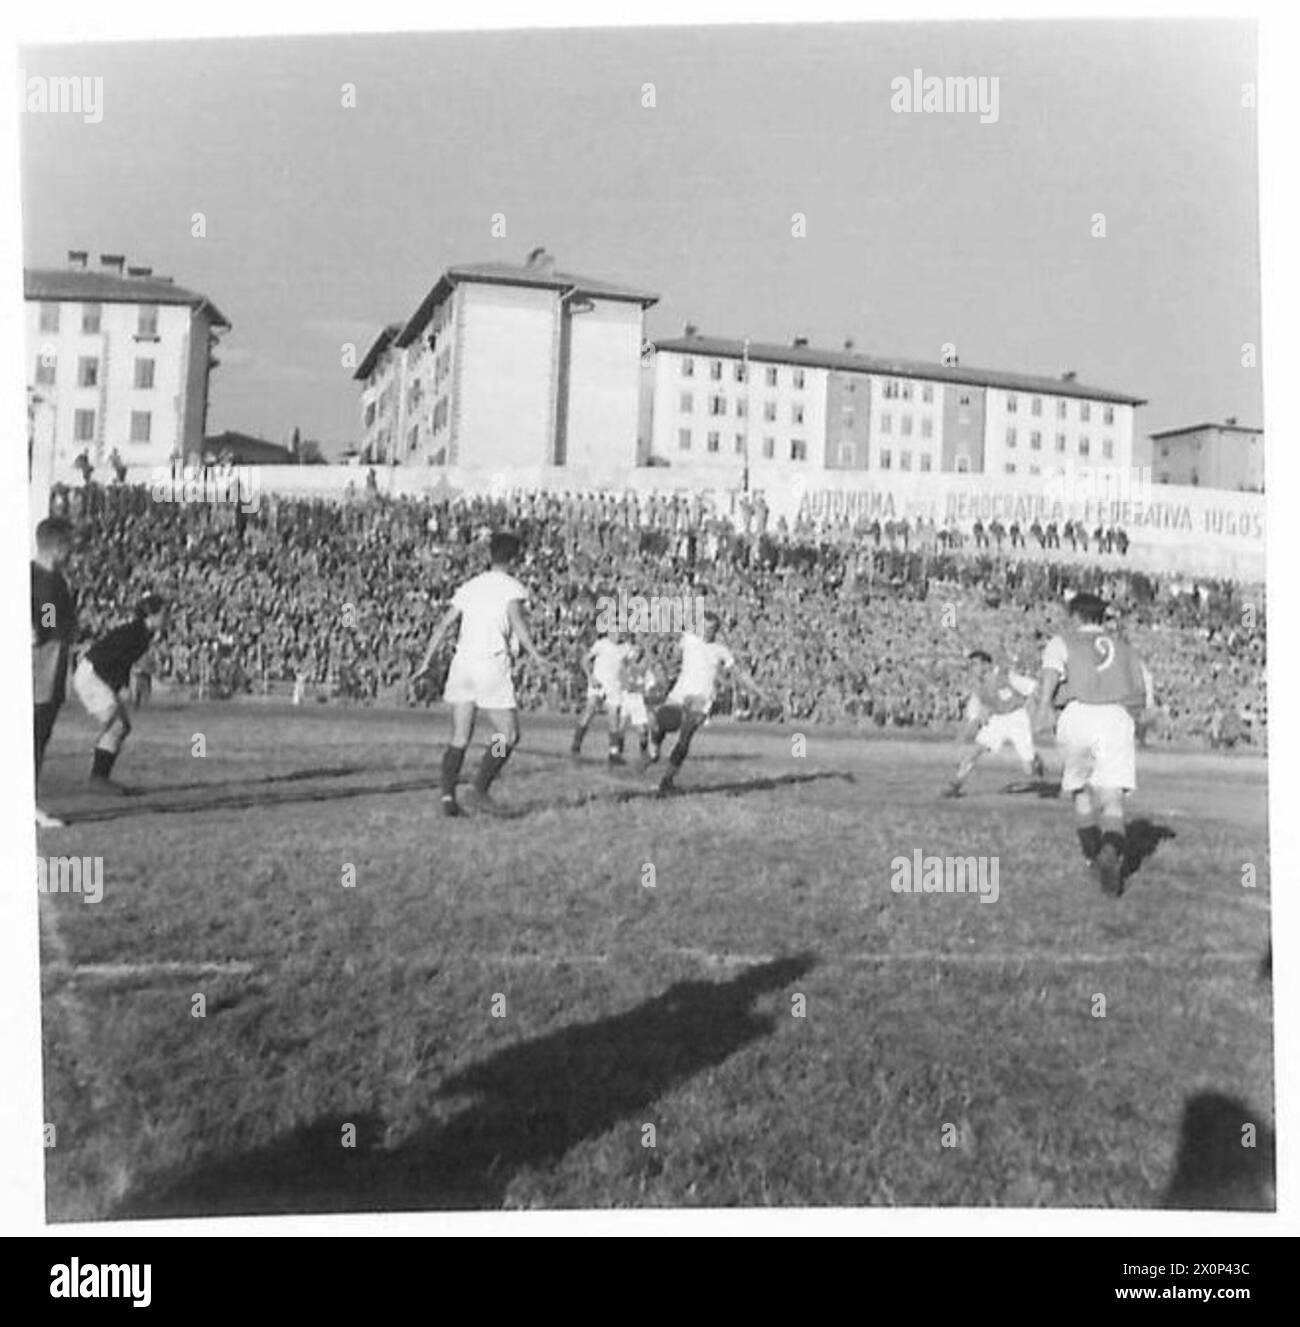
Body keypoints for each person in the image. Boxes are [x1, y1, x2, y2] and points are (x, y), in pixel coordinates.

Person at [412, 531, 554, 817]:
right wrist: (537, 655)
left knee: (460, 737)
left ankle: (447, 799)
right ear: (514, 558)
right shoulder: (512, 587)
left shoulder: (470, 585)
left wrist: (426, 661)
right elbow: (517, 622)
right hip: (490, 662)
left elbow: (443, 625)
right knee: (508, 735)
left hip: (462, 663)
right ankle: (480, 788)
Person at [1032, 591, 1149, 897]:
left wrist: (1044, 709)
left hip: (1078, 713)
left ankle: (1091, 857)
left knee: (1081, 791)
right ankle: (1110, 852)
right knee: (1112, 799)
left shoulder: (1063, 641)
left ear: (1075, 616)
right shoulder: (1125, 648)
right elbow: (1143, 689)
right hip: (1116, 715)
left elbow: (1050, 676)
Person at [649, 611, 765, 796]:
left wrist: (758, 690)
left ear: (716, 630)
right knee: (663, 722)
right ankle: (654, 745)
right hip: (680, 692)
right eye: (703, 627)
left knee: (685, 737)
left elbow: (738, 673)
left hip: (702, 699)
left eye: (711, 628)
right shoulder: (688, 639)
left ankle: (667, 780)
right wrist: (670, 665)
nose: (706, 631)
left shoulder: (720, 650)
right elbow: (674, 656)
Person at [73, 594, 169, 793]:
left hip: (95, 675)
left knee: (121, 726)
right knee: (116, 725)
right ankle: (98, 779)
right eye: (164, 613)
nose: (168, 617)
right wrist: (123, 687)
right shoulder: (136, 634)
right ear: (150, 615)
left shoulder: (141, 633)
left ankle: (99, 777)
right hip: (92, 676)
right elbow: (112, 659)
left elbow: (119, 661)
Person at [942, 650, 1043, 798]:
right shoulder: (978, 687)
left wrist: (1032, 707)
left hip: (1017, 719)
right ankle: (955, 786)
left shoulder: (1006, 676)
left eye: (975, 664)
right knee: (974, 752)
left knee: (1029, 770)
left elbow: (1034, 687)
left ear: (986, 664)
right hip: (997, 720)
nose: (972, 668)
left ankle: (1035, 761)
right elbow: (972, 716)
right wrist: (961, 738)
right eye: (971, 665)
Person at [32, 517, 77, 827]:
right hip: (41, 667)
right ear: (58, 546)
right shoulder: (41, 580)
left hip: (53, 667)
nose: (72, 553)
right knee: (32, 737)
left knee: (40, 737)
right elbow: (45, 626)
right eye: (69, 546)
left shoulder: (56, 581)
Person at [570, 628, 633, 765]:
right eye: (615, 632)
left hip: (614, 687)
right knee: (589, 711)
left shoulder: (626, 647)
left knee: (613, 718)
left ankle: (614, 752)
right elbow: (584, 660)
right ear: (609, 632)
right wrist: (590, 677)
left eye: (620, 632)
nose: (618, 634)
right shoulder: (601, 644)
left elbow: (630, 665)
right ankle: (576, 744)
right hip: (598, 684)